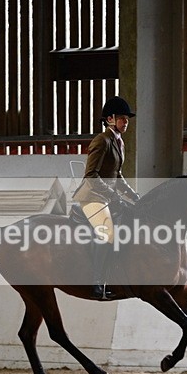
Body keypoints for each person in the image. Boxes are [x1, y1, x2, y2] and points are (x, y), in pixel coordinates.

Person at [72, 96, 140, 300]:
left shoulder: (119, 141)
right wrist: (112, 195)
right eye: (122, 118)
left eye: (127, 119)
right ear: (110, 119)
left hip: (107, 197)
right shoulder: (101, 141)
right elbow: (91, 175)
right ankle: (97, 282)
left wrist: (132, 194)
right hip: (92, 196)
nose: (126, 122)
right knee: (108, 233)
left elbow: (116, 175)